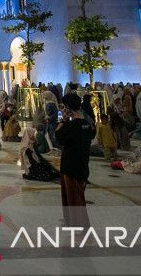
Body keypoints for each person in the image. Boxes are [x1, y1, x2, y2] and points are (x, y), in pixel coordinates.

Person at [55, 93, 96, 227]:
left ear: (67, 108)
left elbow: (58, 136)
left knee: (73, 198)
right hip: (83, 164)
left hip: (70, 165)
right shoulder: (87, 123)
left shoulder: (70, 126)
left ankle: (82, 226)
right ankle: (73, 223)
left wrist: (62, 121)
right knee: (77, 196)